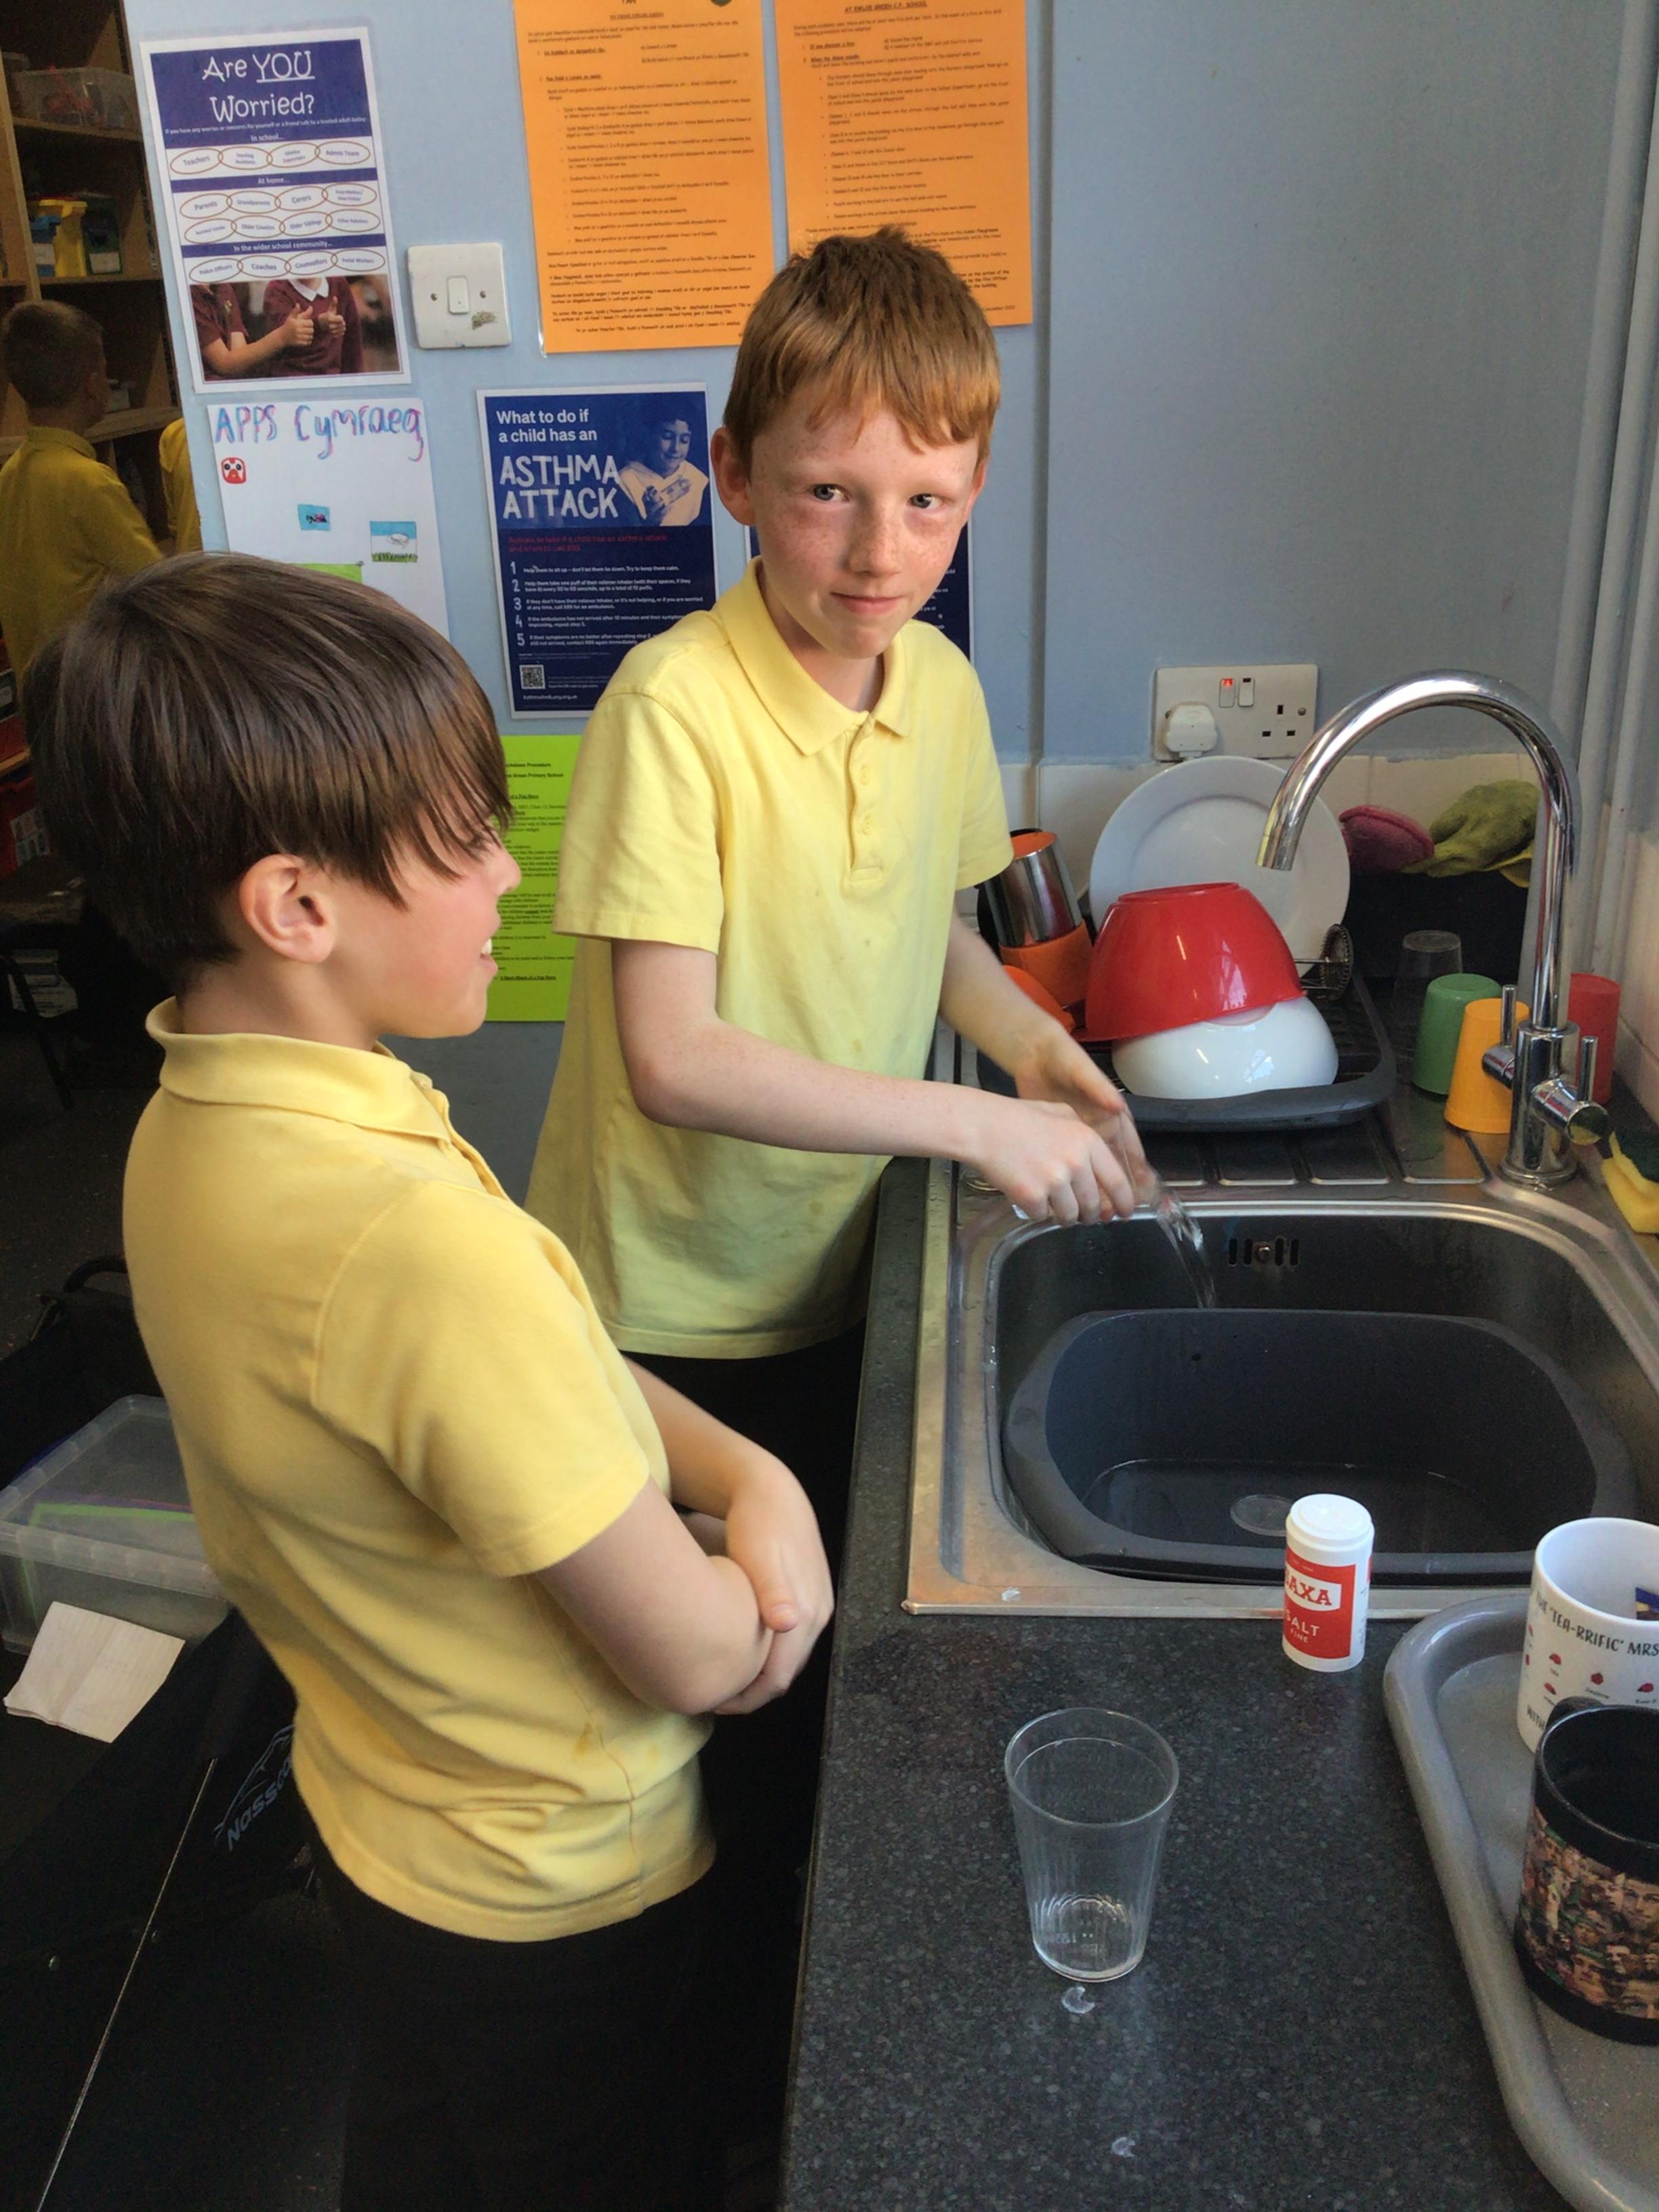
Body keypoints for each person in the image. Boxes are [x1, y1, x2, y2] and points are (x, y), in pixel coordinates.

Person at [25, 554, 832, 2212]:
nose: (508, 874)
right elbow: (700, 1655)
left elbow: (529, 1380)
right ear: (297, 907)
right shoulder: (411, 1242)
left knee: (428, 2148)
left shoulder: (201, 1123)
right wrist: (770, 1558)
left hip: (387, 1825)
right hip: (564, 1891)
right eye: (464, 842)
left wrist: (744, 1472)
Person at [522, 225, 1145, 2107]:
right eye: (828, 495)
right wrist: (973, 1120)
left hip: (836, 1277)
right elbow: (675, 1054)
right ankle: (694, 2091)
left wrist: (1032, 1047)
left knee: (809, 1705)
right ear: (733, 475)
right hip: (664, 1315)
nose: (880, 552)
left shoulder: (933, 685)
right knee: (695, 1715)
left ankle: (773, 2072)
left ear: (970, 497)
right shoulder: (673, 709)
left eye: (927, 504)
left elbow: (928, 932)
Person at [0, 301, 160, 677]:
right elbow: (155, 583)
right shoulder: (89, 481)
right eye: (104, 370)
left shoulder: (10, 473)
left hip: (36, 683)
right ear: (92, 385)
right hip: (87, 685)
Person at [190, 281, 316, 380]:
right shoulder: (191, 293)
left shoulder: (223, 287)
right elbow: (224, 363)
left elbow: (239, 357)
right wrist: (282, 337)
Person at [258, 272, 365, 377]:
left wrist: (356, 380)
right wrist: (318, 324)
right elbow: (278, 344)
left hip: (332, 380)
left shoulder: (338, 282)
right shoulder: (276, 290)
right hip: (291, 380)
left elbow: (353, 341)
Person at [617, 409, 709, 526]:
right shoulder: (625, 481)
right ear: (648, 436)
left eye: (684, 440)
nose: (676, 448)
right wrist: (651, 523)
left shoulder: (698, 480)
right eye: (667, 437)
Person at [158, 417, 201, 554]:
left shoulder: (176, 432)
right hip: (198, 558)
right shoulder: (175, 433)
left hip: (195, 559)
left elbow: (174, 522)